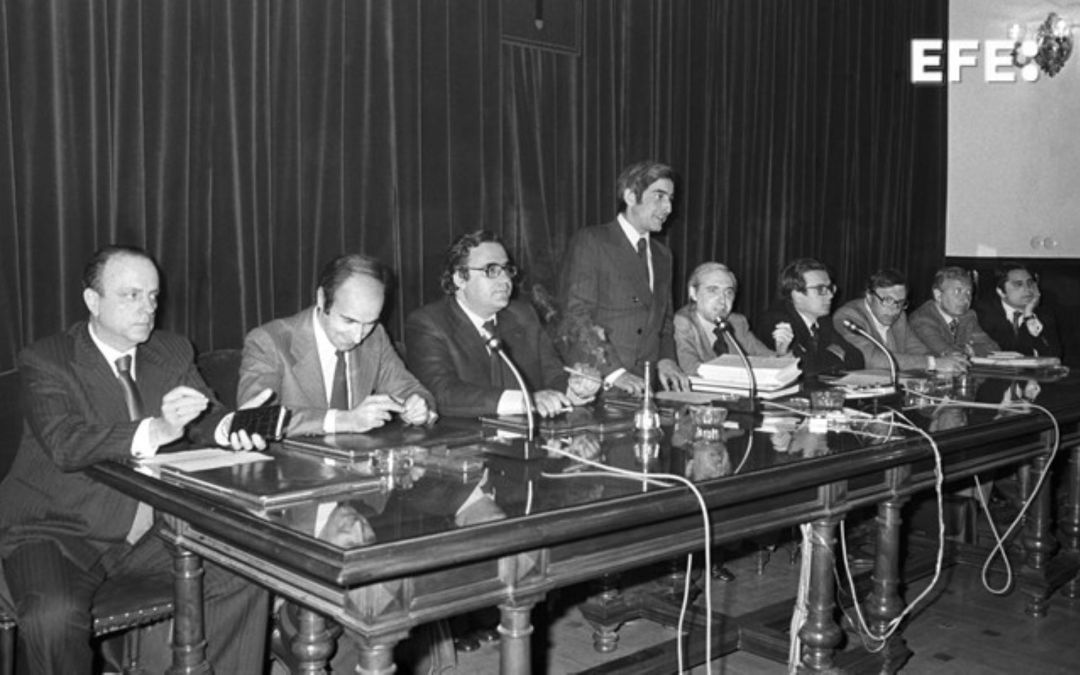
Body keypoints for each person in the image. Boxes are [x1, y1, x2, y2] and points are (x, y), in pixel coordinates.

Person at [0, 245, 269, 674]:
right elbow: (65, 442)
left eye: (153, 296)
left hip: (151, 533)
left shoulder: (172, 350)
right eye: (130, 295)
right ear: (93, 301)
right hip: (57, 530)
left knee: (245, 572)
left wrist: (233, 425)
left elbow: (202, 415)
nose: (147, 308)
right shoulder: (48, 359)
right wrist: (156, 430)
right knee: (52, 617)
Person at [238, 253, 437, 436]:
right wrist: (343, 420)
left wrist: (419, 407)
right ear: (322, 299)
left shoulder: (375, 337)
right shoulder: (269, 341)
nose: (358, 337)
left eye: (369, 323)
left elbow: (411, 390)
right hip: (290, 470)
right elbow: (254, 418)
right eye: (349, 321)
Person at [405, 231, 599, 419]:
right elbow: (442, 392)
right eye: (491, 271)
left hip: (528, 441)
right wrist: (524, 401)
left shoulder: (524, 315)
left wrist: (575, 389)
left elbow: (553, 374)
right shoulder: (428, 323)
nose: (505, 280)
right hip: (466, 442)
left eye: (506, 270)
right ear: (460, 278)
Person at [559, 160, 689, 396]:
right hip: (603, 381)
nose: (668, 208)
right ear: (630, 196)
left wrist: (667, 359)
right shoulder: (593, 241)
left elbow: (665, 320)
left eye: (670, 199)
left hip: (647, 385)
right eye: (659, 196)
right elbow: (577, 316)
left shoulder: (663, 255)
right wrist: (615, 373)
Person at [833, 268, 968, 373]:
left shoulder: (899, 317)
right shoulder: (848, 317)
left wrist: (944, 362)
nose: (894, 310)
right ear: (869, 296)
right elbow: (872, 360)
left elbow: (918, 350)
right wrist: (933, 363)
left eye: (900, 302)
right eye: (887, 301)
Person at [673, 262, 792, 376]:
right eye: (713, 290)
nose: (722, 300)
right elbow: (691, 370)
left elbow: (765, 359)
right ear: (693, 293)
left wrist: (781, 353)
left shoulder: (737, 323)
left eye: (728, 292)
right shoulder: (682, 322)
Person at [756, 258, 864, 377]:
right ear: (797, 294)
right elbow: (804, 369)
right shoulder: (776, 321)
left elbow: (857, 359)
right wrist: (836, 355)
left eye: (830, 288)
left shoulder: (823, 320)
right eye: (821, 289)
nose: (830, 295)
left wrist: (821, 359)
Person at [976, 262, 1063, 359]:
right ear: (1001, 292)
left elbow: (1054, 356)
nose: (1027, 289)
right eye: (1018, 284)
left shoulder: (1044, 314)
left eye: (1030, 283)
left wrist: (1029, 317)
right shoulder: (982, 314)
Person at [910, 266, 999, 358]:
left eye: (968, 292)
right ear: (938, 295)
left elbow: (992, 348)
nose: (965, 299)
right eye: (958, 291)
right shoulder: (922, 319)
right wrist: (969, 349)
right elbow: (945, 352)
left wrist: (969, 350)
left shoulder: (968, 316)